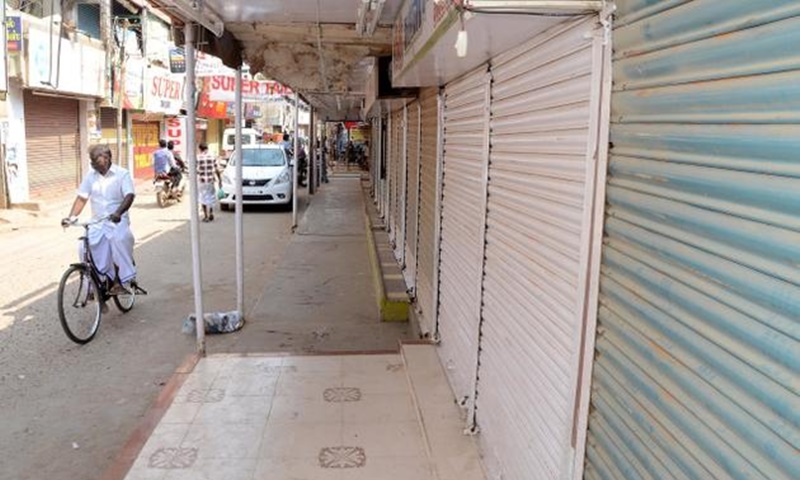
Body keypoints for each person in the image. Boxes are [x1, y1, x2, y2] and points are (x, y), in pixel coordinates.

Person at [61, 145, 136, 297]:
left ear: (106, 158)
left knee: (117, 240)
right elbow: (82, 198)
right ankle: (93, 285)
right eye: (91, 160)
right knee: (84, 246)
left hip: (116, 219)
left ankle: (118, 281)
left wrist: (118, 213)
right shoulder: (90, 176)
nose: (92, 163)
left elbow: (129, 196)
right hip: (98, 221)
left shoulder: (122, 174)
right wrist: (71, 217)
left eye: (94, 160)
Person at [196, 142, 218, 222]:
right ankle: (211, 213)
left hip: (202, 180)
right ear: (207, 148)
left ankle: (206, 216)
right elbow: (216, 169)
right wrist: (219, 180)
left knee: (203, 198)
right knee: (211, 196)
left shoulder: (198, 157)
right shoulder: (212, 156)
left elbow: (196, 170)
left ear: (200, 149)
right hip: (211, 180)